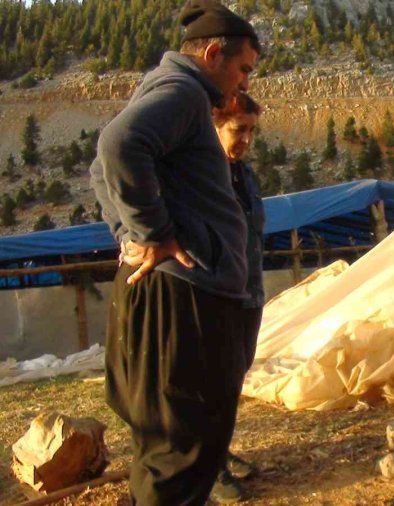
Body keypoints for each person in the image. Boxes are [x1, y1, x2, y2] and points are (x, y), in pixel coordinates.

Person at [88, 1, 260, 503]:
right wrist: (153, 233)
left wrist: (129, 233)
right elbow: (117, 146)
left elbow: (99, 169)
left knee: (166, 448)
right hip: (184, 299)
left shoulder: (163, 88)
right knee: (183, 452)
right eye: (243, 68)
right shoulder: (184, 92)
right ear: (212, 55)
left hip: (170, 293)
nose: (244, 83)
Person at [208, 92, 266, 503]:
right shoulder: (203, 177)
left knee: (233, 380)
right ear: (215, 127)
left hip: (249, 292)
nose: (245, 139)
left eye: (250, 131)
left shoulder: (244, 175)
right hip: (217, 296)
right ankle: (208, 468)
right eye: (237, 130)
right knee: (212, 382)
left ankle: (220, 451)